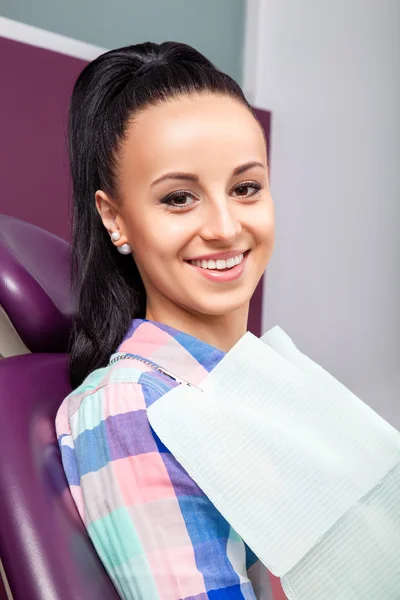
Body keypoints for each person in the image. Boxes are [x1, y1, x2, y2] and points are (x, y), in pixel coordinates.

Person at [56, 41, 279, 599]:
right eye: (180, 198)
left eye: (246, 188)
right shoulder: (133, 406)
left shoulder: (262, 384)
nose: (226, 227)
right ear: (116, 219)